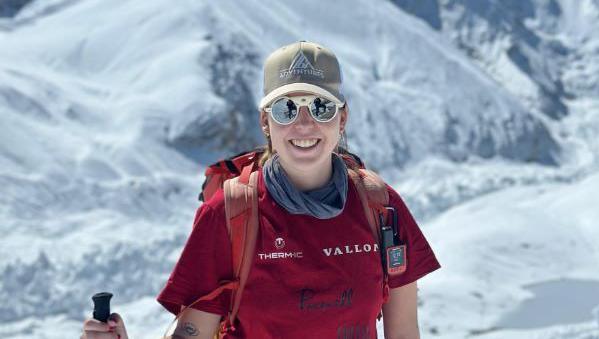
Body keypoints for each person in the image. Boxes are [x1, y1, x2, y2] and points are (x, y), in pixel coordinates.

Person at [81, 40, 441, 339]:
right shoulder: (230, 214)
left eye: (320, 106)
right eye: (286, 109)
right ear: (265, 122)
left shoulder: (381, 208)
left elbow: (404, 333)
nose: (304, 123)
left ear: (342, 118)